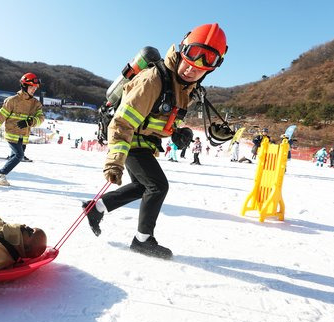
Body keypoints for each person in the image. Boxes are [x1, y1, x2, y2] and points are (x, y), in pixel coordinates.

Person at [83, 23, 227, 259]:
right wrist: (114, 162)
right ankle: (142, 240)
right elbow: (122, 124)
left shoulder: (185, 86)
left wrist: (177, 132)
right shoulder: (153, 80)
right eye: (189, 62)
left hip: (145, 142)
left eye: (200, 69)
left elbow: (163, 116)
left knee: (143, 186)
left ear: (210, 70)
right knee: (158, 186)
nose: (192, 71)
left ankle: (95, 208)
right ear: (182, 51)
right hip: (130, 140)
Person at [0, 73, 44, 186]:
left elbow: (41, 118)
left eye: (35, 88)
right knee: (19, 155)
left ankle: (1, 176)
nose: (34, 90)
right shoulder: (12, 100)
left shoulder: (36, 103)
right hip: (12, 134)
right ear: (24, 86)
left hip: (24, 136)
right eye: (32, 87)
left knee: (15, 156)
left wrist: (30, 121)